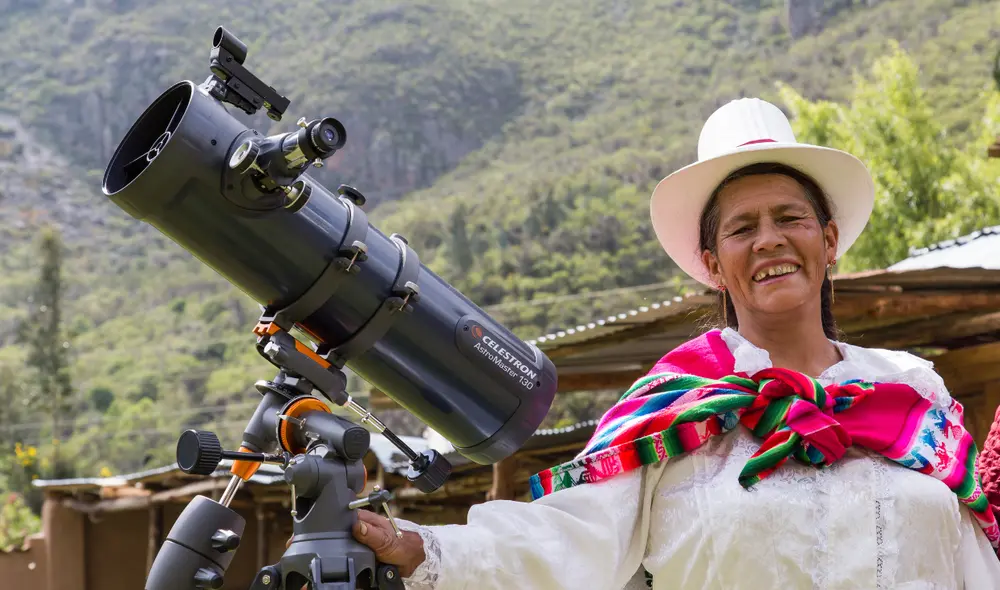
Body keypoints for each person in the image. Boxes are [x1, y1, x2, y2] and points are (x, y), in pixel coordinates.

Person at [347, 98, 1000, 589]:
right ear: (713, 264)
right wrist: (424, 548)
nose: (769, 238)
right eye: (742, 228)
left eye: (790, 217)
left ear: (828, 240)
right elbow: (573, 533)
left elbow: (973, 559)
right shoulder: (673, 407)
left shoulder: (912, 393)